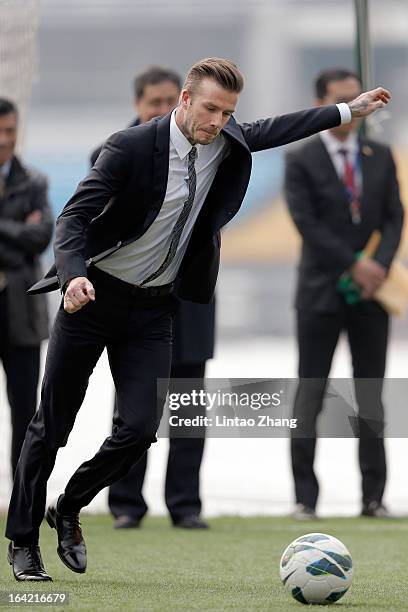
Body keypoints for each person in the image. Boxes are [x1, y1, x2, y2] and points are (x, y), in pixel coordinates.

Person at [5, 57, 390, 582]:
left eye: (227, 113)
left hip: (153, 309)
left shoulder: (227, 139)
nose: (216, 122)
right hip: (91, 297)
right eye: (209, 108)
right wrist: (72, 277)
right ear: (185, 100)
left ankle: (70, 504)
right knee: (52, 427)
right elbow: (73, 217)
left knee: (140, 428)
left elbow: (278, 128)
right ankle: (23, 541)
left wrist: (349, 108)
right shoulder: (130, 146)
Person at [91, 66, 214, 530]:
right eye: (153, 103)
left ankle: (185, 505)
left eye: (170, 102)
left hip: (188, 302)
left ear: (183, 102)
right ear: (138, 106)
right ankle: (125, 503)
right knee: (132, 408)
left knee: (186, 407)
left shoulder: (210, 149)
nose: (162, 110)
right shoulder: (114, 152)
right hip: (131, 306)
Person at [285, 68, 403, 521]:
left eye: (358, 99)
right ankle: (304, 498)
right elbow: (307, 224)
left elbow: (395, 215)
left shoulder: (380, 154)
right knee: (310, 394)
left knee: (370, 395)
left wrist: (379, 267)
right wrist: (354, 264)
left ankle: (373, 498)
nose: (353, 109)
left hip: (372, 295)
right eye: (342, 100)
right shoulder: (301, 158)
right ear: (321, 103)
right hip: (319, 293)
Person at [0, 98, 53, 478]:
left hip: (22, 312)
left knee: (25, 409)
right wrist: (18, 230)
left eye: (10, 131)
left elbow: (40, 237)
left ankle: (21, 493)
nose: (4, 140)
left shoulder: (35, 181)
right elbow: (27, 237)